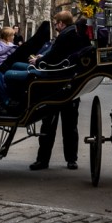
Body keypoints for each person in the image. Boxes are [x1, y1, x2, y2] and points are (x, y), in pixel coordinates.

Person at [29, 11, 86, 171]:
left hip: (55, 85)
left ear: (62, 23)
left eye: (56, 23)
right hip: (70, 85)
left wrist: (38, 60)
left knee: (48, 125)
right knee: (70, 126)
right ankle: (71, 159)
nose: (55, 25)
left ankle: (43, 159)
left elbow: (53, 56)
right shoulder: (74, 34)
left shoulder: (65, 36)